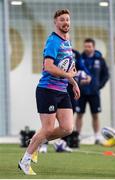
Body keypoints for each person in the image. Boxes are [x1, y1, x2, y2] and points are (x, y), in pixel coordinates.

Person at [18, 9, 80, 175]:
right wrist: (69, 76)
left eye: (67, 19)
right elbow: (49, 67)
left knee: (67, 128)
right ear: (55, 22)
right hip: (47, 90)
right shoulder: (53, 41)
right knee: (47, 129)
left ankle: (36, 141)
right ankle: (25, 160)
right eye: (62, 20)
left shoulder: (67, 41)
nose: (66, 22)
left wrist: (73, 82)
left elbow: (66, 67)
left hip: (62, 90)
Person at [75, 38, 109, 144]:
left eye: (89, 46)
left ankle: (97, 136)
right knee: (79, 114)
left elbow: (106, 75)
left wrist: (98, 85)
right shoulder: (79, 59)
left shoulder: (100, 60)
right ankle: (78, 135)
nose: (87, 48)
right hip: (81, 92)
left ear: (94, 47)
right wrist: (78, 82)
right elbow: (74, 72)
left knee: (95, 114)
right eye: (85, 46)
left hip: (94, 92)